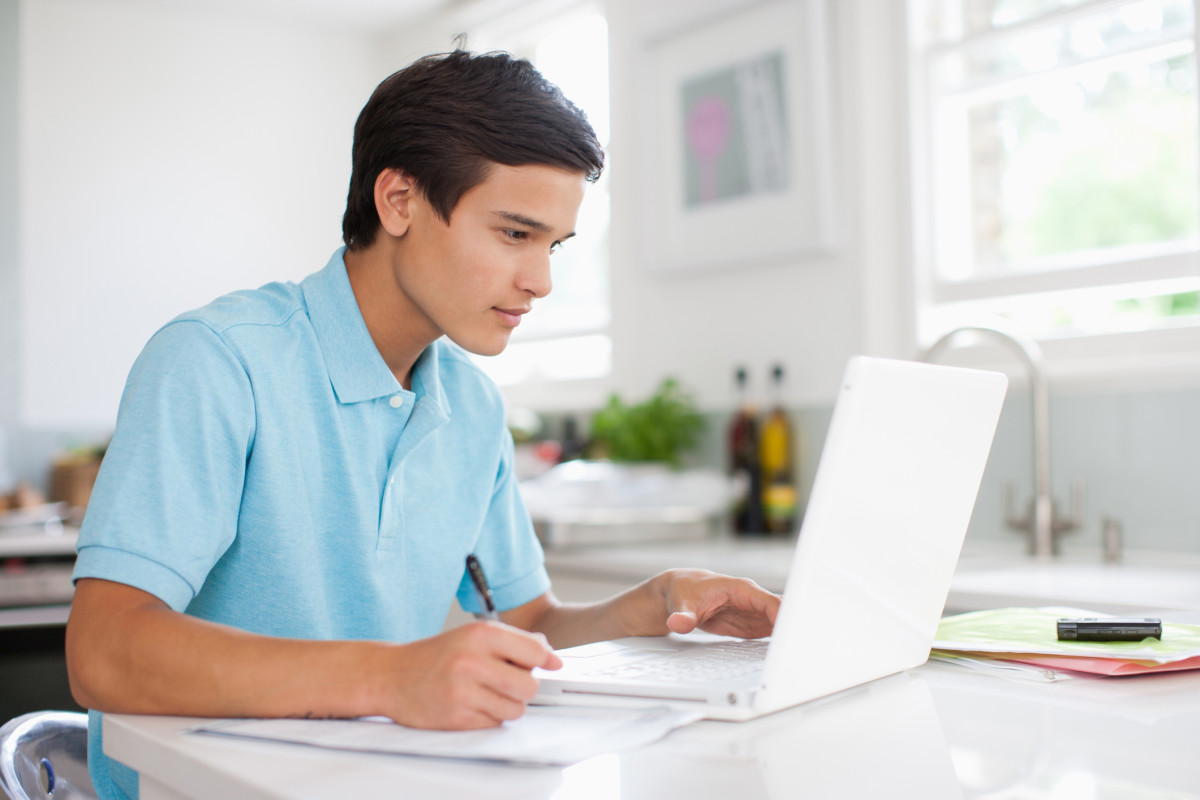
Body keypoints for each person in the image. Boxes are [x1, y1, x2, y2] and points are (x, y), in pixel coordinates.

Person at [65, 49, 781, 800]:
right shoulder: (216, 363)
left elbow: (527, 620)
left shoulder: (471, 405)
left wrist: (654, 602)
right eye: (514, 234)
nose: (540, 281)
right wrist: (392, 676)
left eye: (553, 246)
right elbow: (104, 652)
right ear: (399, 201)